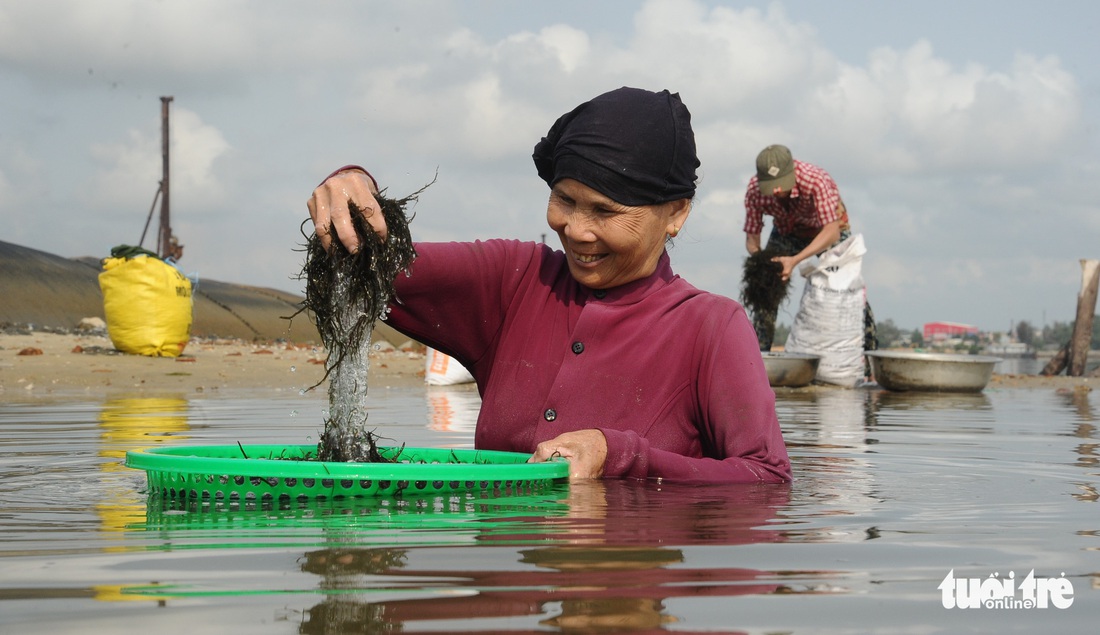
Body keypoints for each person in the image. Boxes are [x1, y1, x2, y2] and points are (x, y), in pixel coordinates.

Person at [307, 87, 790, 484]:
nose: (577, 229)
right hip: (509, 587)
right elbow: (359, 261)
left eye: (605, 211)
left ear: (676, 214)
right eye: (564, 200)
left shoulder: (711, 327)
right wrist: (350, 186)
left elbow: (766, 479)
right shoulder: (516, 281)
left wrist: (619, 454)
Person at [742, 144, 877, 353]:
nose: (776, 191)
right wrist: (763, 263)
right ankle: (760, 353)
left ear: (792, 172)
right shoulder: (754, 191)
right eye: (771, 186)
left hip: (824, 230)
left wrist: (794, 260)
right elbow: (752, 239)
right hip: (786, 231)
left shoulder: (816, 180)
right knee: (764, 284)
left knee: (849, 288)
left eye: (781, 184)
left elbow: (831, 231)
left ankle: (869, 353)